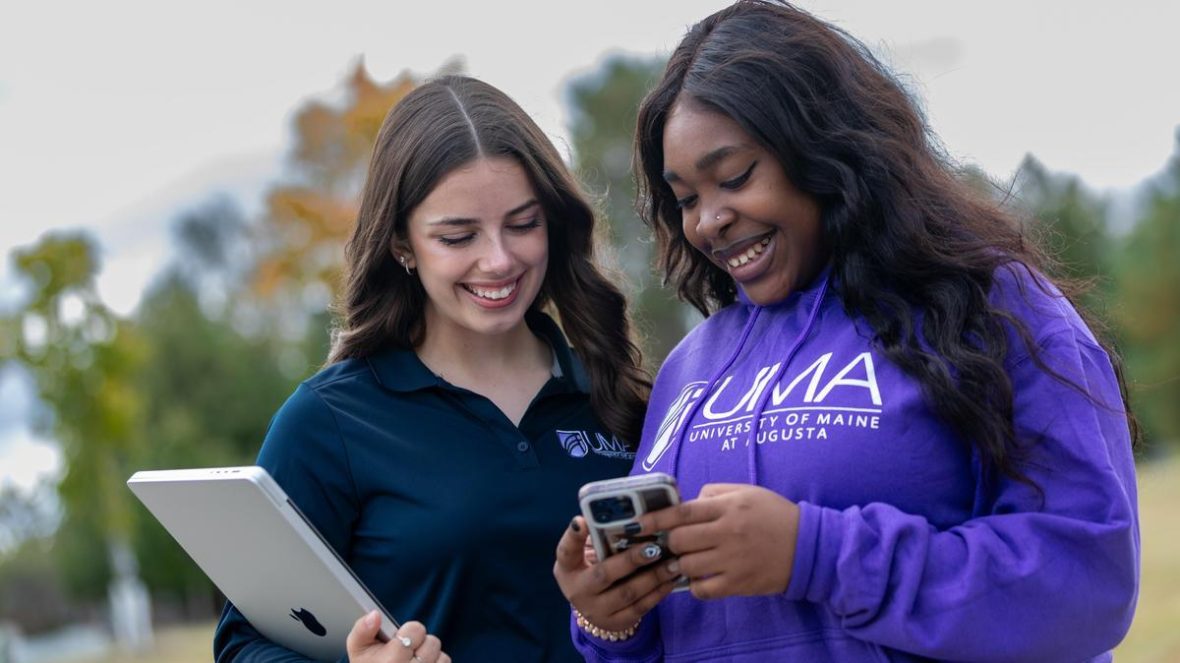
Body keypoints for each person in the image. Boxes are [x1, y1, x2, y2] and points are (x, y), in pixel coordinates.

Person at [553, 1, 1141, 661]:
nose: (708, 220)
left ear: (823, 149)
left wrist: (814, 553)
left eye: (735, 176)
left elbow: (1087, 581)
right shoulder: (690, 370)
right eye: (686, 198)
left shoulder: (990, 305)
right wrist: (612, 622)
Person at [214, 75, 650, 662]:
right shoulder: (329, 422)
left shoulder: (619, 395)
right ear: (401, 244)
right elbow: (243, 644)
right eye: (457, 235)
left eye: (523, 224)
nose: (498, 259)